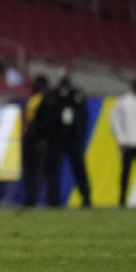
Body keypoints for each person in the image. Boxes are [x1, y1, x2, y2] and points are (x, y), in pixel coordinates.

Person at [38, 76, 91, 208]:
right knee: (53, 171)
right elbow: (41, 118)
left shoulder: (77, 96)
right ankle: (53, 200)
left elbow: (83, 118)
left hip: (73, 139)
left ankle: (86, 198)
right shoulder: (51, 97)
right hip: (56, 138)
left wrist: (80, 136)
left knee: (79, 169)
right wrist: (47, 135)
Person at [110, 78, 136, 207]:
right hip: (127, 143)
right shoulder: (123, 101)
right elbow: (114, 120)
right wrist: (121, 139)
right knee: (125, 173)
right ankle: (122, 200)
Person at [21, 76, 50, 206]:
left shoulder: (33, 100)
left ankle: (32, 197)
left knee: (31, 171)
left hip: (31, 139)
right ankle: (34, 197)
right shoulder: (44, 100)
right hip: (39, 140)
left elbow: (26, 120)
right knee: (38, 171)